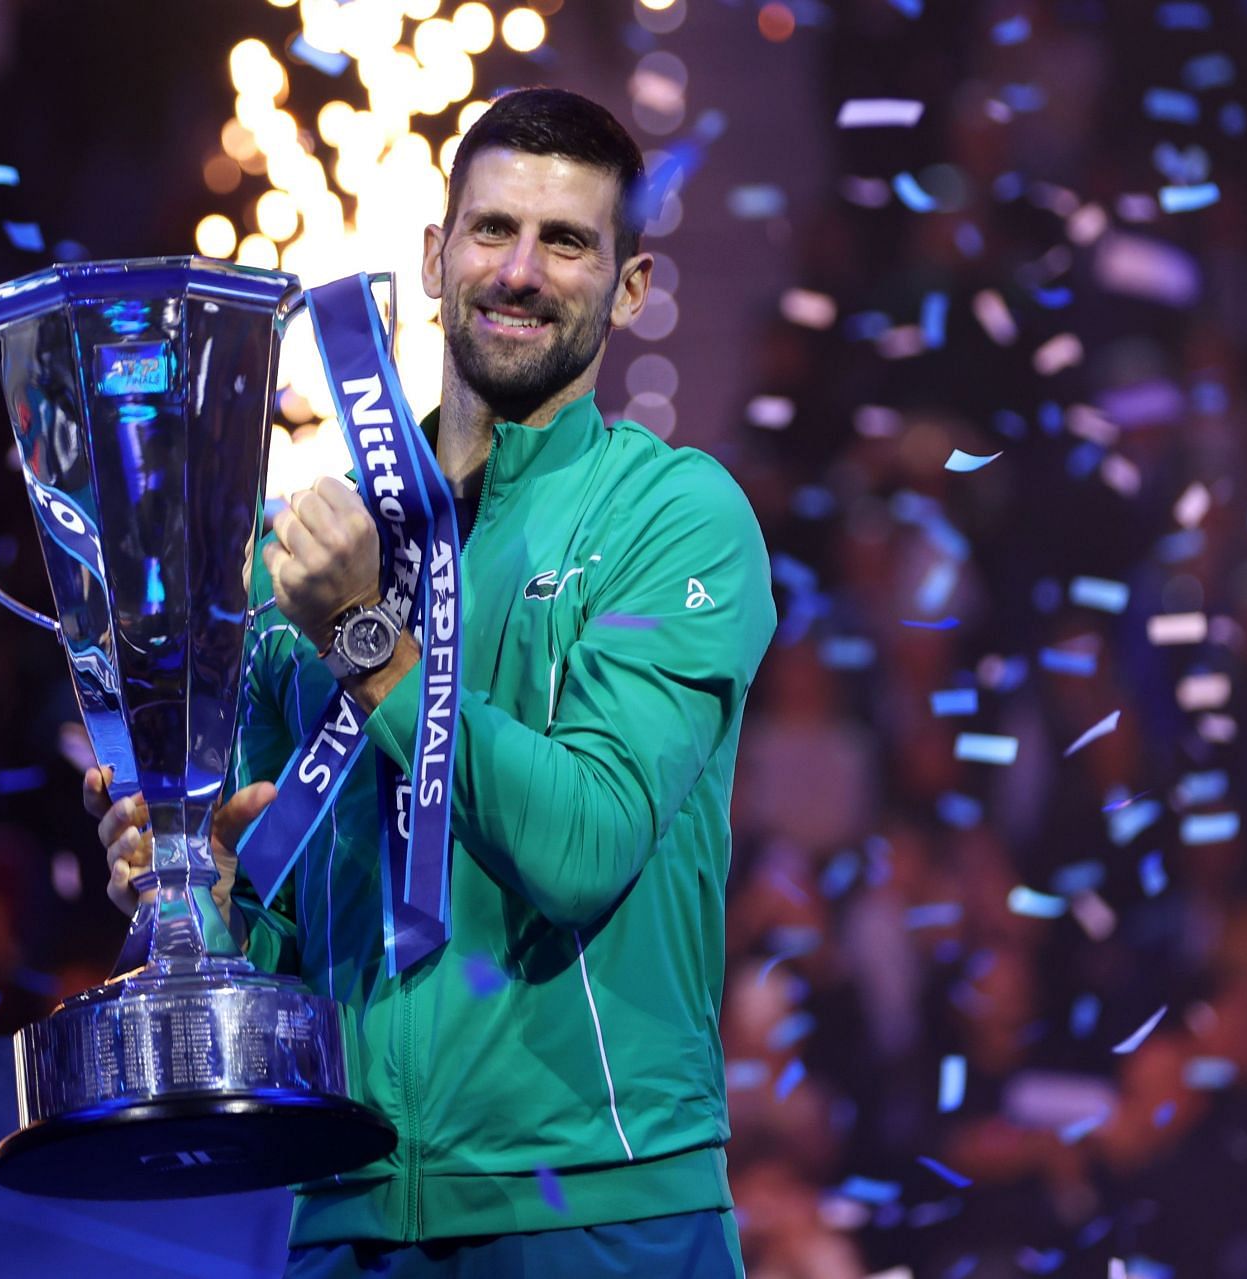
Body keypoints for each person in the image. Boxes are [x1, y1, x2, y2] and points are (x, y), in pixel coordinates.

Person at [87, 87, 777, 1277]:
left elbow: (584, 847)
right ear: (432, 254)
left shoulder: (676, 516)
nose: (520, 272)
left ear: (630, 287)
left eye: (566, 242)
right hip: (347, 1212)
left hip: (594, 1210)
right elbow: (270, 919)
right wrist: (187, 886)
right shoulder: (306, 547)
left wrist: (366, 635)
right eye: (491, 231)